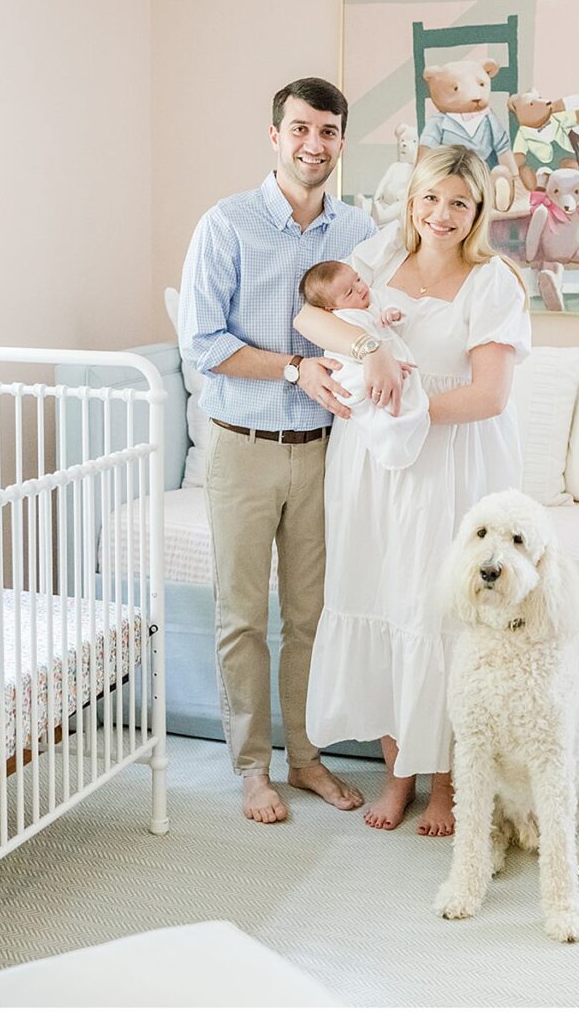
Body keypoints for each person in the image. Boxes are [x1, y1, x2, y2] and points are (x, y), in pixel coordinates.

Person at [303, 142, 530, 835]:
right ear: (412, 202)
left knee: (441, 617)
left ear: (477, 211)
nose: (442, 213)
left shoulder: (494, 282)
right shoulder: (374, 258)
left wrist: (408, 408)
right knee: (383, 599)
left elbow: (489, 395)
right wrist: (369, 355)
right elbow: (310, 319)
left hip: (449, 462)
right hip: (372, 466)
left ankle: (447, 786)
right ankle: (396, 775)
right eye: (431, 198)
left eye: (459, 202)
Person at [177, 77, 375, 825]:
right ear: (275, 136)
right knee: (240, 616)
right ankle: (252, 769)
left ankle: (309, 760)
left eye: (326, 131)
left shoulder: (358, 232)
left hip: (327, 450)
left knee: (313, 615)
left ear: (341, 142)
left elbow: (381, 320)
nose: (312, 144)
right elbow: (205, 344)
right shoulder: (226, 225)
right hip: (243, 446)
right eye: (299, 129)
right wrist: (297, 367)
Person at [295, 259, 431, 471]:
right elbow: (343, 354)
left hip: (387, 360)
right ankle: (387, 434)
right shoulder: (343, 317)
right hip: (353, 366)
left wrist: (391, 314)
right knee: (357, 387)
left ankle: (396, 430)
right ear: (331, 307)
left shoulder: (371, 299)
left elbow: (394, 311)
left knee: (403, 397)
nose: (360, 288)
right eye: (349, 293)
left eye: (357, 279)